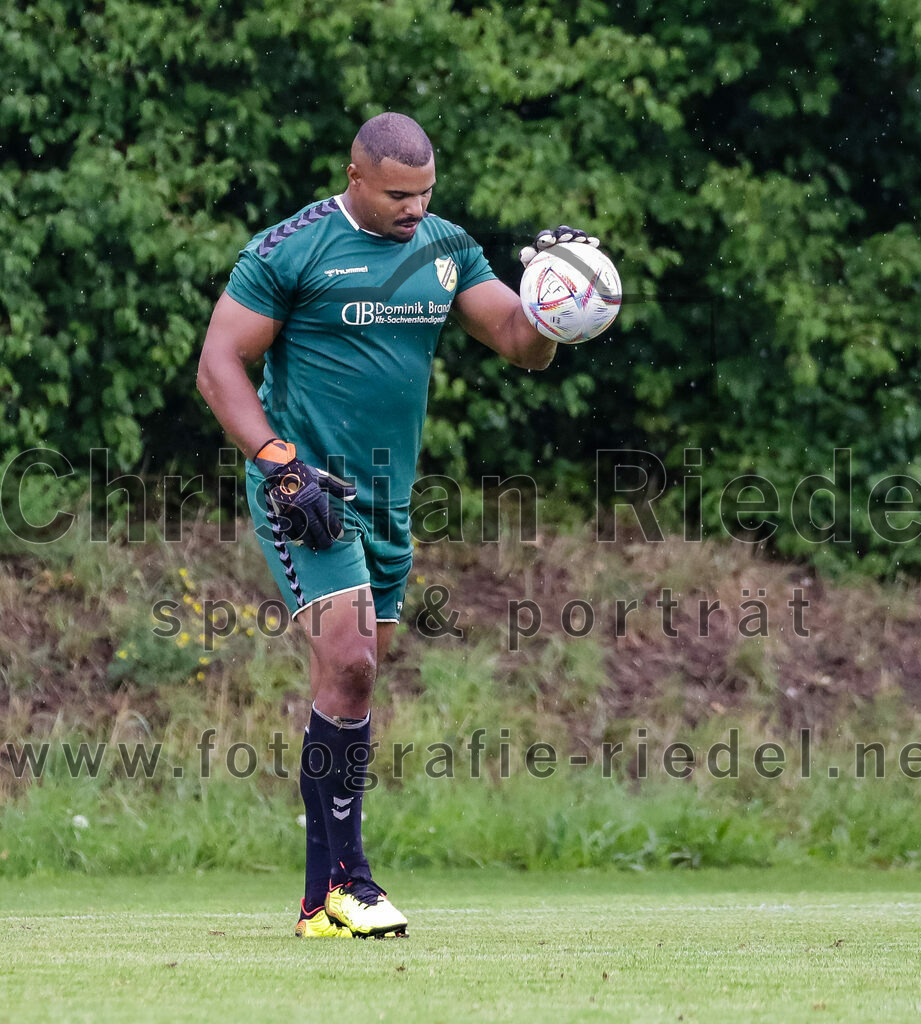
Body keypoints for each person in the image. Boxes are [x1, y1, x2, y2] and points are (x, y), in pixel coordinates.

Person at [197, 111, 599, 938]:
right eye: (397, 196)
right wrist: (279, 461)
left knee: (357, 678)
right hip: (304, 488)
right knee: (348, 661)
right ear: (355, 176)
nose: (414, 210)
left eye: (424, 194)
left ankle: (323, 899)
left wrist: (562, 295)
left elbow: (522, 344)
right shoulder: (292, 248)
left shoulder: (444, 247)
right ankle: (347, 886)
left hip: (387, 497)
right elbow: (217, 364)